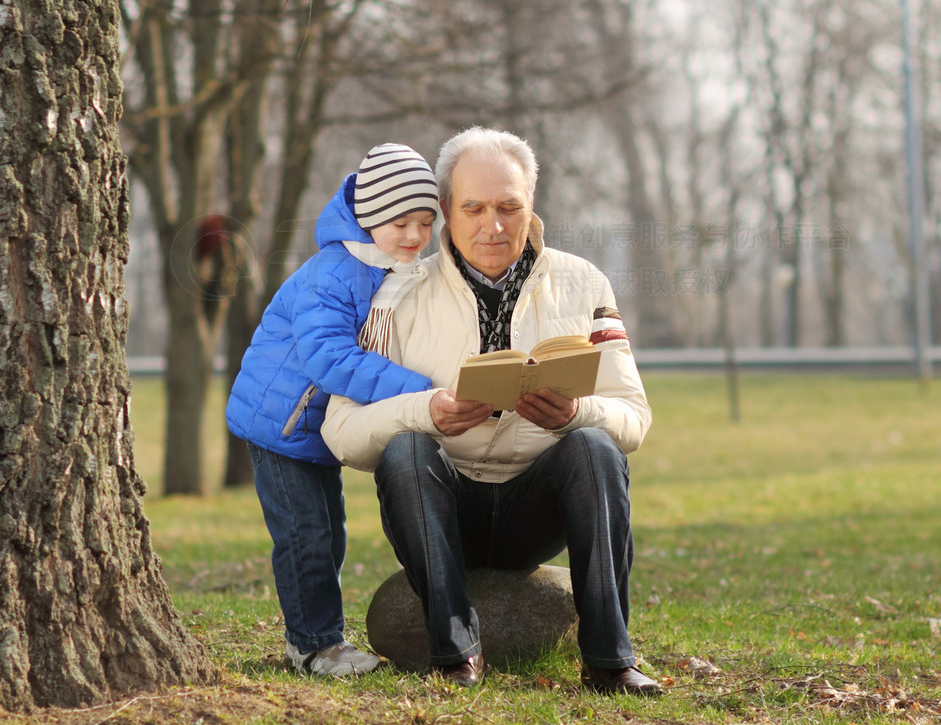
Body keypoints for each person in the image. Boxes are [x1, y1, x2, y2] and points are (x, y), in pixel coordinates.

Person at [320, 127, 662, 696]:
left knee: (595, 444)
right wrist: (427, 410)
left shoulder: (585, 282)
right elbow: (342, 432)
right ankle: (456, 655)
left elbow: (634, 417)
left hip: (538, 506)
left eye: (509, 207)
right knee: (405, 446)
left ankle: (609, 660)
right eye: (473, 207)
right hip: (445, 504)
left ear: (531, 207)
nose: (493, 225)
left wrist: (574, 412)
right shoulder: (394, 293)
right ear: (447, 211)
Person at [226, 142, 439, 679]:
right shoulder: (334, 273)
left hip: (314, 429)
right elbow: (330, 358)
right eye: (400, 222)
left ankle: (323, 636)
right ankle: (313, 646)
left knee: (331, 532)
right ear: (368, 218)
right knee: (305, 536)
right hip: (282, 425)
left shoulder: (384, 266)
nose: (414, 236)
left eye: (425, 222)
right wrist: (417, 389)